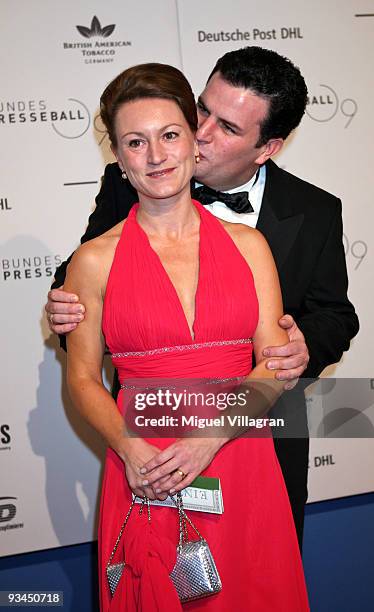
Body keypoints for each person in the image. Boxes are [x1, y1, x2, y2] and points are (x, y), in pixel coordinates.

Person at [47, 47, 359, 550]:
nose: (203, 133)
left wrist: (301, 350)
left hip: (262, 437)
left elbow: (335, 315)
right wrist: (67, 307)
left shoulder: (315, 211)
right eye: (201, 110)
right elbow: (82, 285)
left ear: (268, 147)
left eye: (229, 127)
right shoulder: (129, 182)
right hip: (150, 438)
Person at [63, 61, 309, 611]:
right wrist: (129, 451)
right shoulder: (92, 261)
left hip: (240, 455)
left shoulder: (249, 246)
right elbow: (81, 379)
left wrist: (210, 439)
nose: (155, 156)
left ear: (192, 142)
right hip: (145, 464)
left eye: (169, 135)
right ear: (119, 157)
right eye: (135, 142)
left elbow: (271, 367)